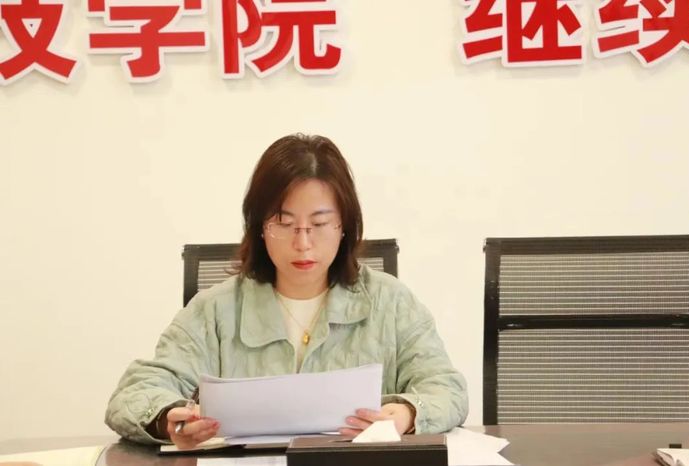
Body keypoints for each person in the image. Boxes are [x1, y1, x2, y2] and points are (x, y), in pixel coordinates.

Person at [105, 134, 468, 448]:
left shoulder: (391, 303)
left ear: (344, 226)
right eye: (284, 223)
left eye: (319, 224)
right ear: (259, 227)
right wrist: (170, 420)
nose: (303, 243)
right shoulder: (215, 310)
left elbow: (447, 389)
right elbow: (134, 393)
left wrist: (407, 414)